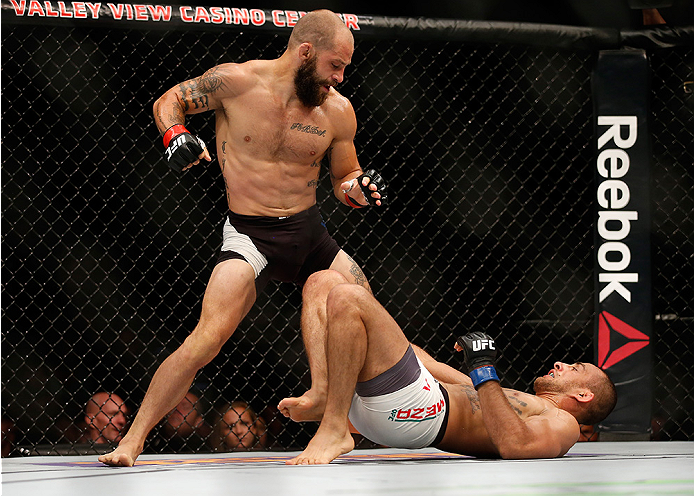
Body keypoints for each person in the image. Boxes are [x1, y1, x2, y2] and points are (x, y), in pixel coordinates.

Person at [99, 9, 385, 467]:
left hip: (309, 233)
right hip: (250, 234)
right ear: (305, 51)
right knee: (206, 339)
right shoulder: (236, 82)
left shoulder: (337, 111)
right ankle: (132, 440)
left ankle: (344, 401)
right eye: (336, 65)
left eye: (345, 68)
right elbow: (168, 100)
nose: (340, 78)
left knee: (373, 318)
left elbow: (344, 176)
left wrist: (357, 189)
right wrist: (176, 135)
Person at [279, 270, 617, 464]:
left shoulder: (564, 423)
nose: (561, 363)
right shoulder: (514, 399)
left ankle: (335, 427)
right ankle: (325, 397)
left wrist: (483, 367)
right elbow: (431, 366)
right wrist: (377, 335)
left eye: (575, 367)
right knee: (323, 283)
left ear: (584, 394)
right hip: (410, 399)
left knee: (348, 297)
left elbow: (519, 447)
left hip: (420, 414)